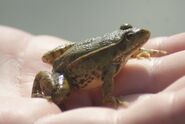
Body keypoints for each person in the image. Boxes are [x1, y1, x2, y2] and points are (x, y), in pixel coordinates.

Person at [0, 25, 185, 124]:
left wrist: (134, 51)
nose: (138, 34)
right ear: (121, 42)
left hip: (72, 55)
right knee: (60, 94)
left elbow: (122, 54)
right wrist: (109, 98)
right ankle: (41, 77)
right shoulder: (112, 62)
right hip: (66, 74)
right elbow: (106, 79)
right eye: (128, 38)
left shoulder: (119, 54)